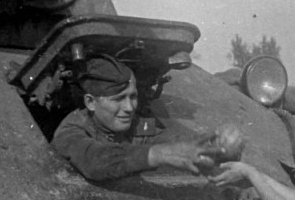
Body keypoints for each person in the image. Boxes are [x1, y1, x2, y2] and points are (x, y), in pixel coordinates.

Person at [51, 54, 218, 181]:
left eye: (133, 97)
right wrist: (158, 155)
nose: (129, 108)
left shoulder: (135, 123)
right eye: (118, 99)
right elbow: (94, 160)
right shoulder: (70, 131)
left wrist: (212, 145)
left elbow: (164, 138)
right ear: (90, 102)